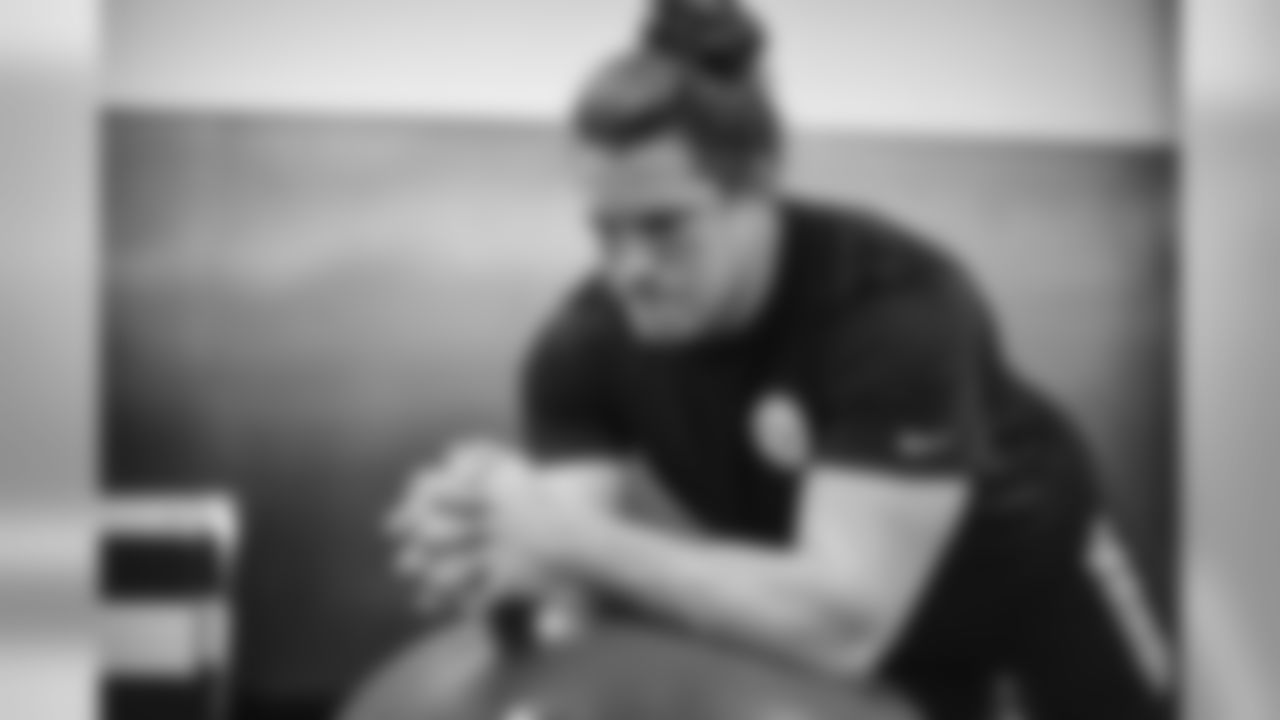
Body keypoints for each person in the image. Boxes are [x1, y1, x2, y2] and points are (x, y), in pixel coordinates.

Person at [348, 1, 1173, 718]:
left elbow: (844, 623)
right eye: (605, 230)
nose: (629, 269)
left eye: (665, 226)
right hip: (830, 613)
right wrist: (488, 548)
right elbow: (566, 577)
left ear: (759, 186)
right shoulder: (581, 344)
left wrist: (562, 536)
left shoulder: (894, 308)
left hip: (1027, 585)